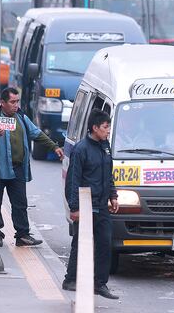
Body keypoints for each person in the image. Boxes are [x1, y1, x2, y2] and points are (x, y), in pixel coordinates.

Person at [0, 88, 63, 247]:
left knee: (20, 203)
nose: (15, 105)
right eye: (12, 102)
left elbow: (37, 133)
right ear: (2, 102)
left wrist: (54, 147)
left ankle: (22, 235)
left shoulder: (21, 117)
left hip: (18, 169)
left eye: (17, 101)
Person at [62, 109, 119, 300]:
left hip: (102, 205)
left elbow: (108, 173)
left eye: (109, 127)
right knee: (80, 244)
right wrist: (74, 207)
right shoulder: (81, 149)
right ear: (95, 128)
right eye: (105, 127)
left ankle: (100, 284)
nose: (108, 131)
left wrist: (113, 195)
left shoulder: (105, 147)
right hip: (85, 204)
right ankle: (70, 279)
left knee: (105, 242)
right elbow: (73, 179)